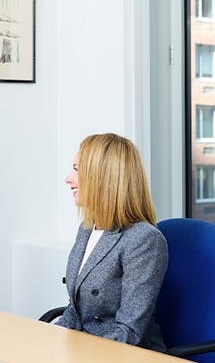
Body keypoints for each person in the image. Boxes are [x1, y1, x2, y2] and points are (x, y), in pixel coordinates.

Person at [55, 133, 168, 352]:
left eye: (77, 169)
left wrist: (76, 353)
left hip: (124, 354)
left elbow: (129, 333)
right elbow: (75, 311)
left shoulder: (143, 239)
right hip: (86, 348)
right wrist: (50, 340)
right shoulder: (88, 229)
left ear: (103, 176)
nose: (68, 178)